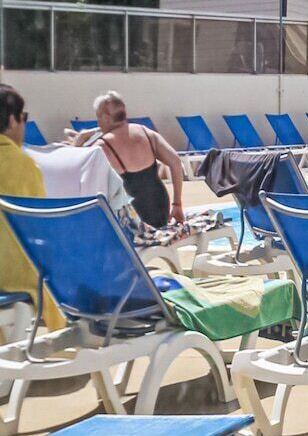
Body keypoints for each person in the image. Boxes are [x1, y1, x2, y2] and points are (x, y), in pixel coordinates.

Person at [73, 91, 183, 231]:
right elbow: (176, 162)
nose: (98, 123)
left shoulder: (102, 147)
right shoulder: (145, 132)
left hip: (132, 218)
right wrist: (177, 204)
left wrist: (79, 140)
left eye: (98, 118)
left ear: (106, 118)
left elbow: (76, 171)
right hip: (160, 210)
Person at [0, 86, 63, 330]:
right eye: (23, 118)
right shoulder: (24, 166)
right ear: (13, 120)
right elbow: (41, 230)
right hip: (14, 278)